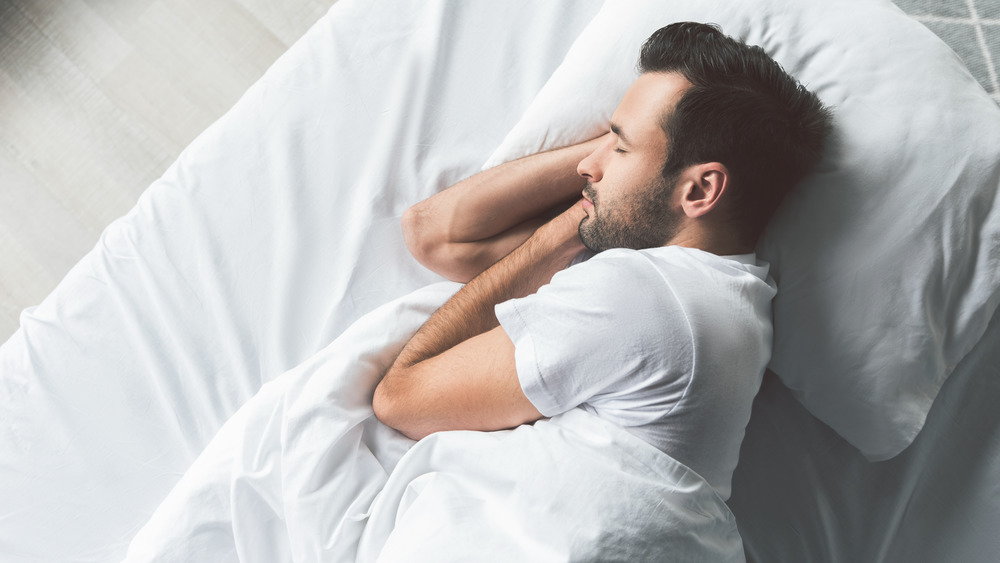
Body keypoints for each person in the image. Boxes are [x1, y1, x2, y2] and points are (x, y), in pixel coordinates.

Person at [373, 22, 832, 500]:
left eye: (619, 145)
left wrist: (602, 202)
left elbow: (400, 399)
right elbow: (435, 233)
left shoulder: (640, 296)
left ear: (699, 189)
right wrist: (611, 190)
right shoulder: (727, 299)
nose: (585, 167)